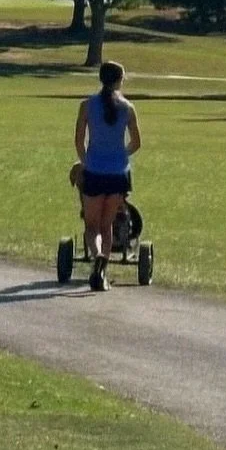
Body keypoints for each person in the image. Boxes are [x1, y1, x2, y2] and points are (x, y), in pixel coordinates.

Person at [74, 60, 142, 292]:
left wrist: (87, 161)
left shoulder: (86, 105)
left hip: (94, 171)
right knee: (107, 224)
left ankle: (98, 257)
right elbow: (136, 143)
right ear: (119, 81)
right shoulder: (128, 108)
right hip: (118, 174)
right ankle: (103, 272)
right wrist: (120, 154)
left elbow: (79, 141)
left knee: (91, 225)